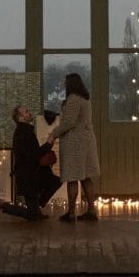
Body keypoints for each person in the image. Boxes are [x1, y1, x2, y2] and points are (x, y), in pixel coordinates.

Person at [0, 104, 62, 222]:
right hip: (29, 177)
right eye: (26, 112)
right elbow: (34, 155)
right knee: (32, 216)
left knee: (55, 181)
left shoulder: (25, 131)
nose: (29, 113)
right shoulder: (23, 133)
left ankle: (36, 207)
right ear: (21, 118)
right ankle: (1, 204)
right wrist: (48, 144)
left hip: (32, 174)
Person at [47, 72, 101, 222]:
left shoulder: (73, 99)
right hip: (86, 141)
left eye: (65, 83)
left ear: (70, 84)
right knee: (85, 177)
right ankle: (91, 210)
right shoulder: (85, 99)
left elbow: (69, 122)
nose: (64, 86)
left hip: (74, 143)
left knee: (72, 177)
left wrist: (53, 134)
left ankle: (71, 213)